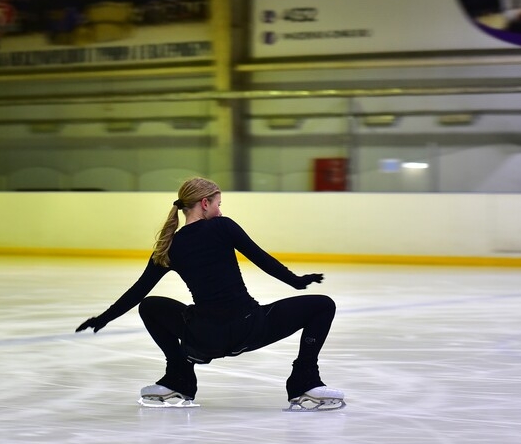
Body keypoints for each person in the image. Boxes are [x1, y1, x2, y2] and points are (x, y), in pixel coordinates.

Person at [76, 176, 344, 411]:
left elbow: (137, 292)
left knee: (150, 305)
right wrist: (296, 282)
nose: (219, 210)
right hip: (249, 327)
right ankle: (303, 380)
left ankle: (179, 376)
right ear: (204, 203)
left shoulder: (169, 247)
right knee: (322, 305)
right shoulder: (223, 226)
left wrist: (104, 319)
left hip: (204, 338)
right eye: (217, 204)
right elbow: (262, 259)